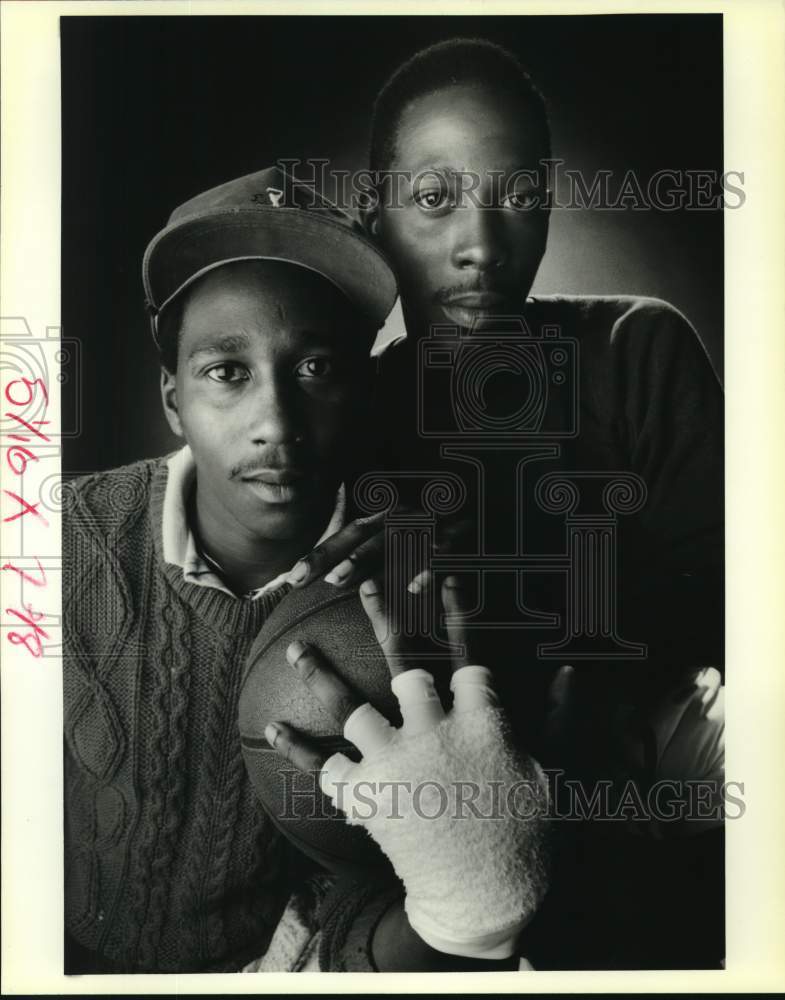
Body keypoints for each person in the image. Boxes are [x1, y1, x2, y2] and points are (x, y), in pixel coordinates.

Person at [274, 39, 725, 969]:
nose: (481, 246)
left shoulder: (637, 351)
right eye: (434, 200)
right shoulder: (343, 412)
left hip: (646, 822)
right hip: (431, 861)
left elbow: (722, 611)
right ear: (375, 216)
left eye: (517, 197)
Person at [62, 164, 405, 972]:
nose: (275, 422)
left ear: (358, 389)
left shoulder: (402, 595)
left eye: (316, 368)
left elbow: (391, 881)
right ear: (174, 399)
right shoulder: (57, 539)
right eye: (228, 372)